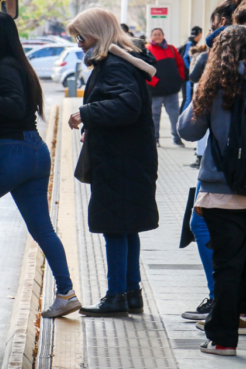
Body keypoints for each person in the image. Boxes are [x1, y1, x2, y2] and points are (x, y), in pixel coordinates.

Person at [0, 12, 81, 318]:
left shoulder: (3, 67)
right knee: (42, 229)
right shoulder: (20, 65)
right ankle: (66, 292)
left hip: (10, 152)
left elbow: (15, 105)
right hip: (33, 150)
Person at [66, 7, 159, 317]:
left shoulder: (114, 65)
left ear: (97, 32)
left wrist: (87, 114)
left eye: (80, 35)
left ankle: (116, 295)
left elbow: (126, 105)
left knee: (115, 228)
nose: (78, 42)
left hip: (119, 161)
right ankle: (131, 292)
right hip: (129, 157)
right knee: (126, 226)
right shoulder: (122, 61)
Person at [178, 25, 246, 357]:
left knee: (227, 267)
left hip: (221, 193)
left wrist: (200, 89)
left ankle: (223, 340)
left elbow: (188, 130)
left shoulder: (215, 86)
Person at [146, 28, 185, 147]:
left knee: (175, 114)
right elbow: (145, 69)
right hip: (156, 91)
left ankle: (177, 138)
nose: (157, 36)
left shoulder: (171, 49)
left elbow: (180, 64)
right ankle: (155, 139)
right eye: (155, 35)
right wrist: (155, 82)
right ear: (151, 36)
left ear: (163, 35)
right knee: (154, 115)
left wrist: (180, 79)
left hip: (172, 90)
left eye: (159, 34)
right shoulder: (147, 50)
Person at [179, 26, 203, 112]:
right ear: (199, 34)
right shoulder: (189, 44)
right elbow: (185, 58)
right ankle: (182, 120)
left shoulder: (189, 42)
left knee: (188, 98)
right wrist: (192, 70)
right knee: (188, 99)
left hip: (187, 76)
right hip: (187, 77)